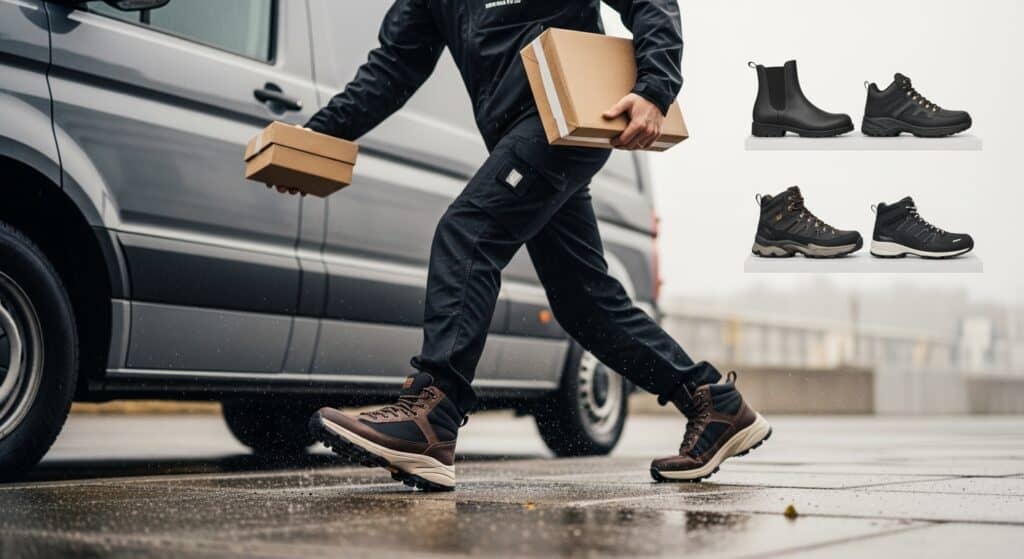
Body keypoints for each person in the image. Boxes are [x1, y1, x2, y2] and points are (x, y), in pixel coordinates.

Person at [288, 0, 771, 491]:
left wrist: (654, 87)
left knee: (468, 232)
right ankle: (713, 402)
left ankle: (433, 415)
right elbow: (392, 68)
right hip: (519, 135)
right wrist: (313, 140)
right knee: (584, 302)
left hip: (566, 114)